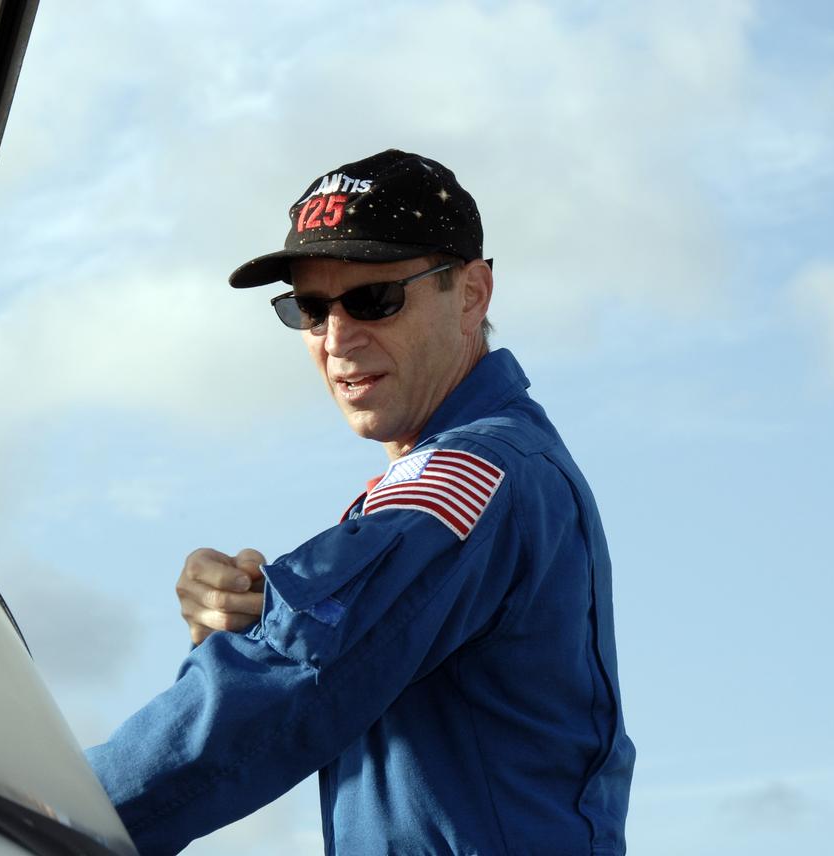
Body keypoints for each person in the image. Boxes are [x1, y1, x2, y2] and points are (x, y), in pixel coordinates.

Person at [86, 149, 635, 855]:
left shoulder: (469, 479)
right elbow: (315, 662)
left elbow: (292, 679)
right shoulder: (477, 478)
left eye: (375, 300)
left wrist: (48, 813)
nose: (338, 339)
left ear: (472, 294)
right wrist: (243, 618)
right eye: (309, 309)